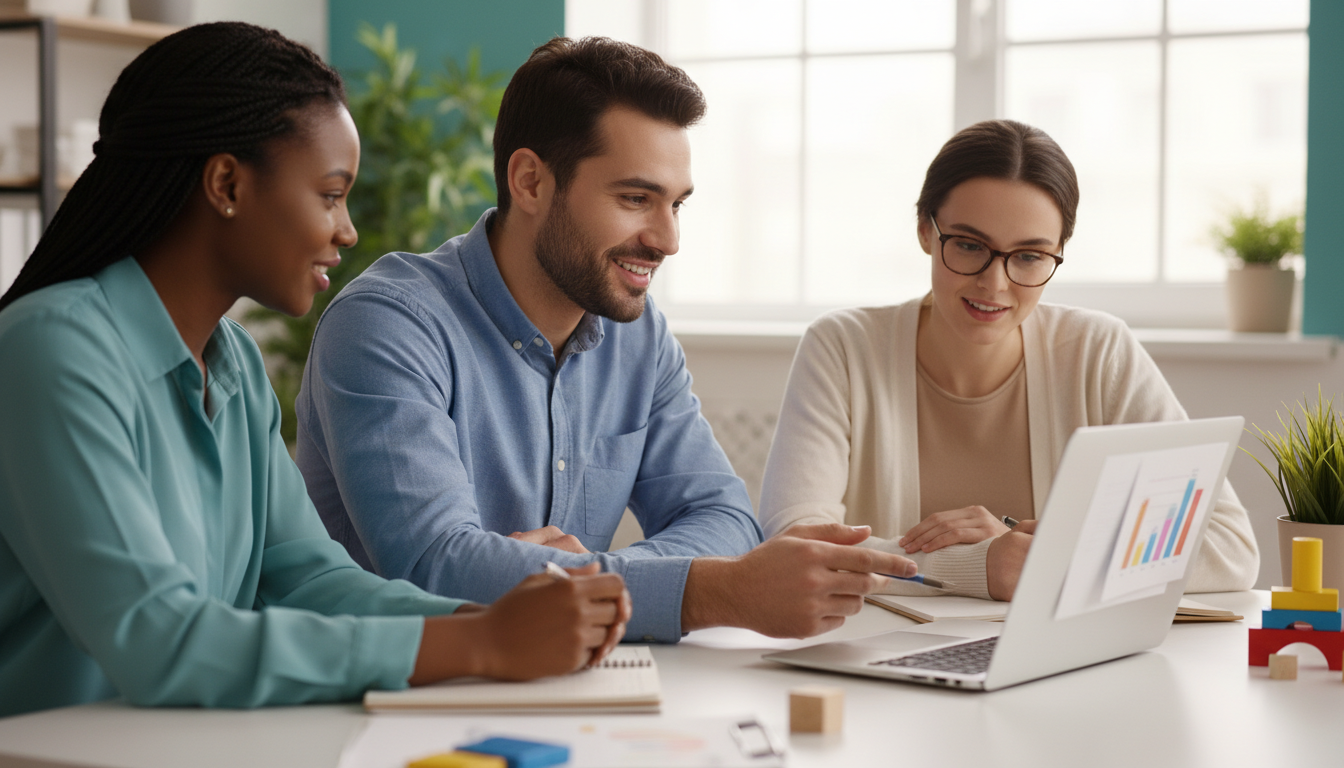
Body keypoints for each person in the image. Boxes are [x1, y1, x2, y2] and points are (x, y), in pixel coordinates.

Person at [0, 22, 629, 718]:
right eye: (331, 195)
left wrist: (486, 621)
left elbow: (311, 578)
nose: (348, 229)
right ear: (227, 183)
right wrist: (481, 644)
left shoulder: (231, 363)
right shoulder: (50, 350)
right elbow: (160, 640)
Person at [296, 36, 918, 644]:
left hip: (564, 686)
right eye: (635, 198)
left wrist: (573, 580)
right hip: (387, 705)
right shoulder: (388, 323)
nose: (667, 239)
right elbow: (436, 569)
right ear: (531, 182)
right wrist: (712, 592)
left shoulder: (638, 337)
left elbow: (726, 519)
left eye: (677, 204)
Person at [758, 119, 1259, 602]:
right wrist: (983, 565)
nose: (994, 284)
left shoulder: (1097, 351)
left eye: (1028, 256)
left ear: (1058, 252)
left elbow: (1228, 549)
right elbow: (794, 546)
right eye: (970, 245)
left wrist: (1027, 549)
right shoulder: (843, 347)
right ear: (926, 232)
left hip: (1052, 665)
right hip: (876, 657)